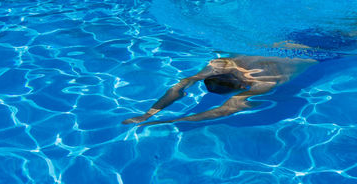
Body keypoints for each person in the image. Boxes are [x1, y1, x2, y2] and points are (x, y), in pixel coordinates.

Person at [122, 56, 317, 126]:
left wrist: (167, 120)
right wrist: (147, 114)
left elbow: (224, 110)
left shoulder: (264, 83)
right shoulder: (225, 63)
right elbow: (182, 84)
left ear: (241, 87)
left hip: (319, 52)